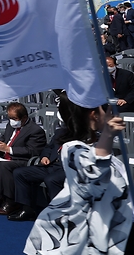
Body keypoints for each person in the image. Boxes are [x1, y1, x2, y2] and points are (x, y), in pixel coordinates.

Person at [25, 101, 133, 254]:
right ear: (94, 115)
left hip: (118, 223)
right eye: (106, 111)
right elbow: (94, 176)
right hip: (94, 231)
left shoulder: (95, 145)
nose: (112, 114)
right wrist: (108, 136)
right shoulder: (72, 148)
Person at [0, 102, 47, 215]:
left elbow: (32, 151)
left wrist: (8, 149)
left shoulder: (35, 130)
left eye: (14, 118)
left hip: (22, 160)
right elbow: (6, 138)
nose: (12, 120)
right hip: (5, 156)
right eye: (10, 118)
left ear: (24, 118)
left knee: (4, 166)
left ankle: (10, 201)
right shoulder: (10, 125)